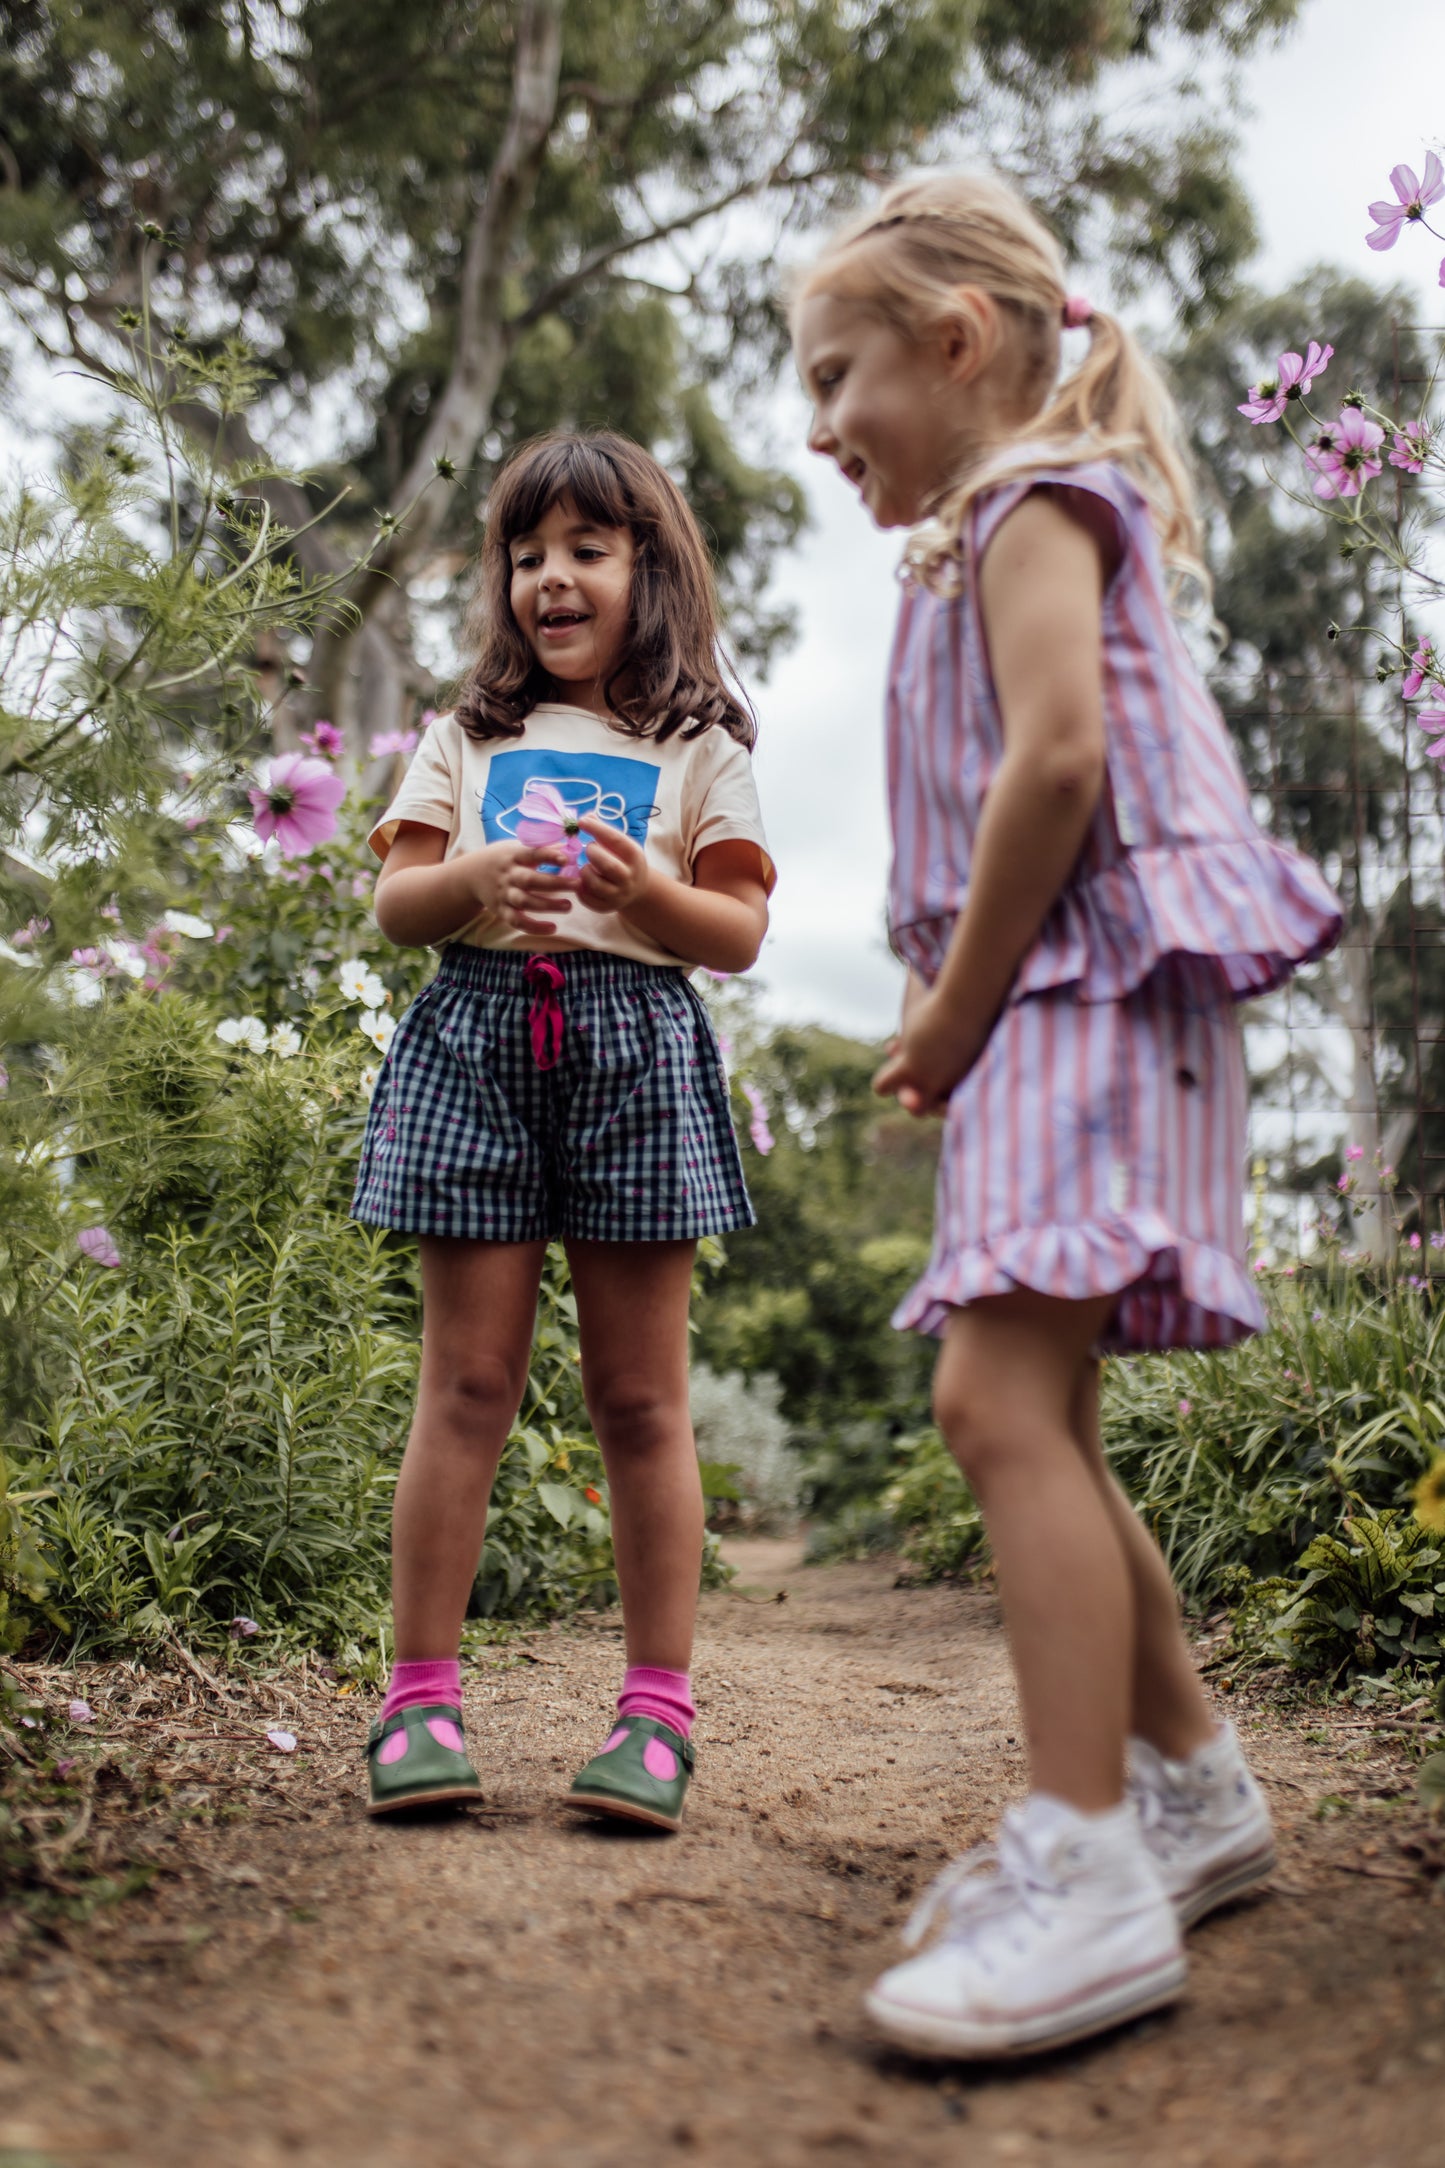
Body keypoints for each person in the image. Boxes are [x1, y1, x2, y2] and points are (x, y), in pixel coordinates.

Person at [791, 172, 1342, 2058]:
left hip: (1073, 994)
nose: (815, 420)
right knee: (1052, 1421)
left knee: (991, 1401)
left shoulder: (1029, 501)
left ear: (952, 342)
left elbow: (1058, 759)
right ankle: (1187, 1787)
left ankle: (1085, 1859)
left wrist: (944, 1016)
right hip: (1077, 1001)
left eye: (835, 368)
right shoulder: (997, 519)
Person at [352, 430, 774, 1830]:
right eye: (526, 554)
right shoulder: (464, 735)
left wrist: (646, 891)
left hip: (636, 1058)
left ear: (648, 569)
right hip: (474, 1041)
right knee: (463, 1391)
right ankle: (418, 1700)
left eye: (586, 549)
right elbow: (397, 906)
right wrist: (472, 870)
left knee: (640, 1403)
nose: (551, 578)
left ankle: (655, 1719)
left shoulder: (698, 742)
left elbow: (736, 933)